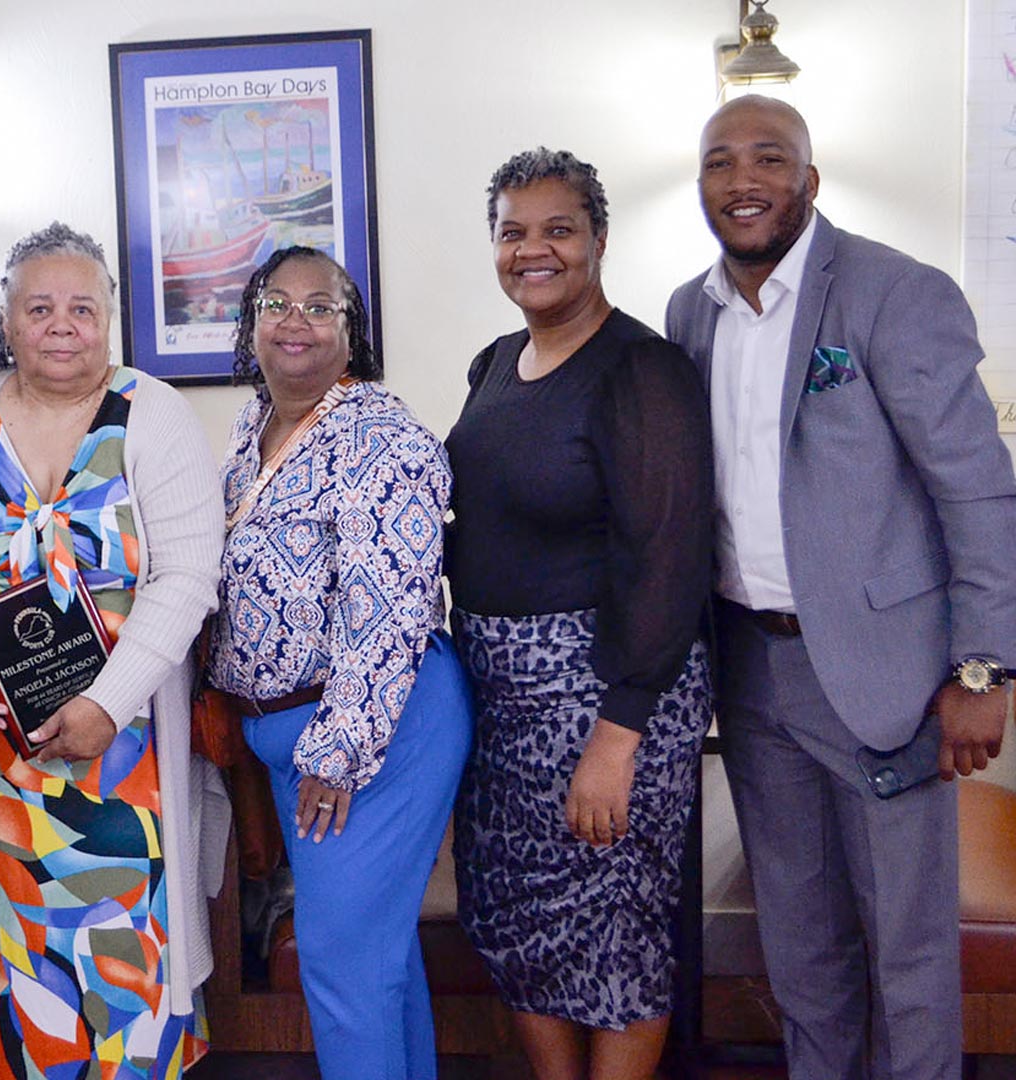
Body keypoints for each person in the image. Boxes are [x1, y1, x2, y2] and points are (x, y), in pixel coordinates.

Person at [666, 97, 1016, 1079]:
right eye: (721, 162)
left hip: (884, 676)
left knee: (905, 956)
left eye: (769, 158)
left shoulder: (895, 294)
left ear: (809, 181)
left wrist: (982, 668)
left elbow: (979, 489)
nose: (743, 180)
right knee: (803, 951)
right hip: (749, 668)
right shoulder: (689, 312)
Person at [0, 222, 226, 1079]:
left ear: (110, 321)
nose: (61, 324)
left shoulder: (153, 416)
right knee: (0, 990)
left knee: (117, 985)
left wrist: (104, 704)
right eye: (40, 307)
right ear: (9, 321)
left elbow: (190, 578)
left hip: (122, 768)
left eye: (81, 308)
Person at [444, 148, 713, 1080]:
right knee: (517, 914)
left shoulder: (642, 369)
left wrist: (618, 735)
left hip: (606, 695)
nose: (534, 250)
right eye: (513, 232)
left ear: (599, 239)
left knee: (615, 930)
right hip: (500, 700)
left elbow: (671, 560)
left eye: (558, 228)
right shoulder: (492, 365)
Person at [206, 246, 473, 1079]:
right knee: (374, 962)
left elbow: (389, 607)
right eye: (277, 302)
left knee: (339, 963)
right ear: (250, 324)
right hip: (293, 736)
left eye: (321, 306)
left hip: (375, 733)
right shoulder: (256, 429)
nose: (296, 319)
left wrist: (340, 751)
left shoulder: (379, 436)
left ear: (351, 333)